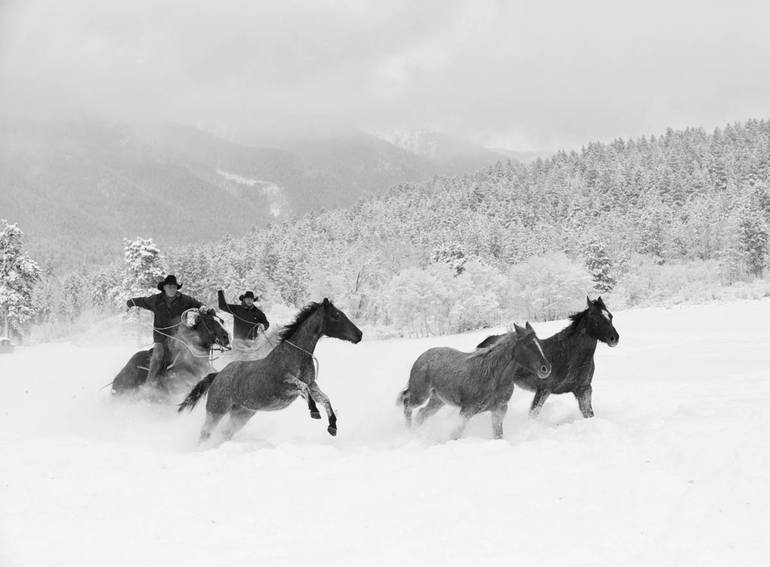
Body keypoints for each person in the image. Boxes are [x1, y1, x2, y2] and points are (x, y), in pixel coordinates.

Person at [126, 275, 207, 386]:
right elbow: (143, 301)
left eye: (174, 287)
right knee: (158, 355)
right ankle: (149, 384)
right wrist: (130, 302)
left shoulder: (185, 300)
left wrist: (202, 307)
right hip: (161, 337)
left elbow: (198, 304)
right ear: (164, 287)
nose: (172, 289)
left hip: (179, 336)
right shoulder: (155, 300)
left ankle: (200, 377)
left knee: (192, 351)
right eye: (169, 286)